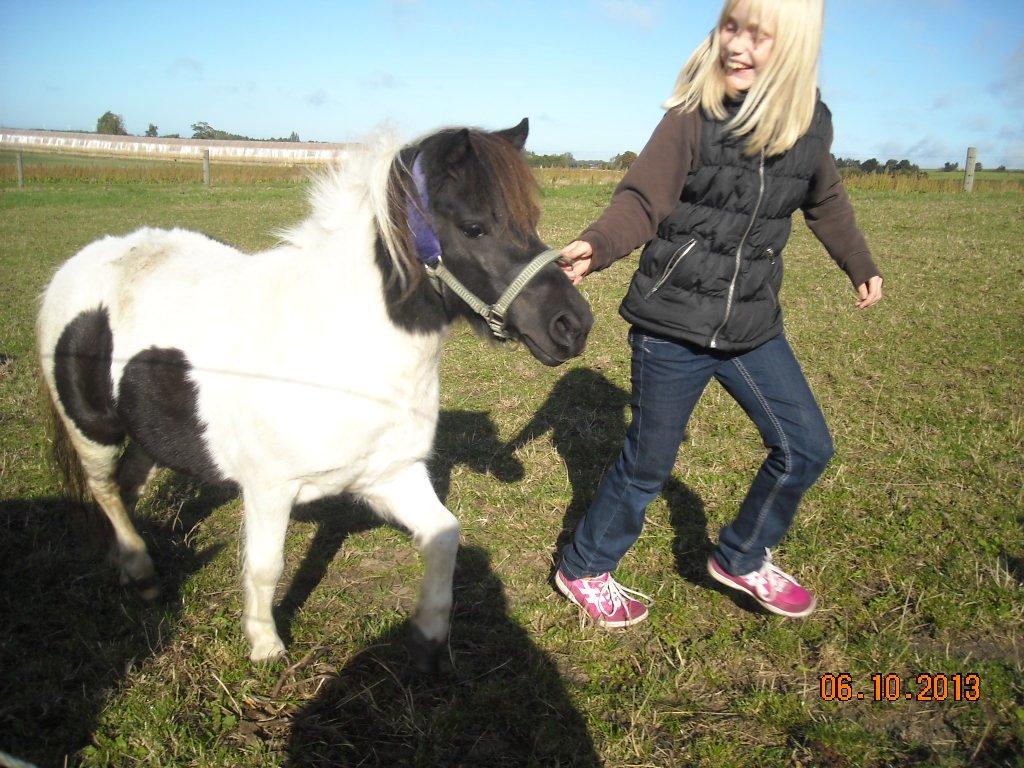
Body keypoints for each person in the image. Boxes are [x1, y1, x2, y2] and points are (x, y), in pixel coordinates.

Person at [555, 0, 883, 627]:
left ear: (792, 50)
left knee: (806, 447)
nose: (737, 45)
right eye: (731, 27)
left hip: (750, 326)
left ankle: (742, 554)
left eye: (758, 36)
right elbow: (642, 200)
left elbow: (828, 199)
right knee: (648, 463)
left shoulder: (810, 124)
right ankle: (585, 567)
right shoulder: (692, 118)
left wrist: (859, 262)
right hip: (671, 325)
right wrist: (597, 246)